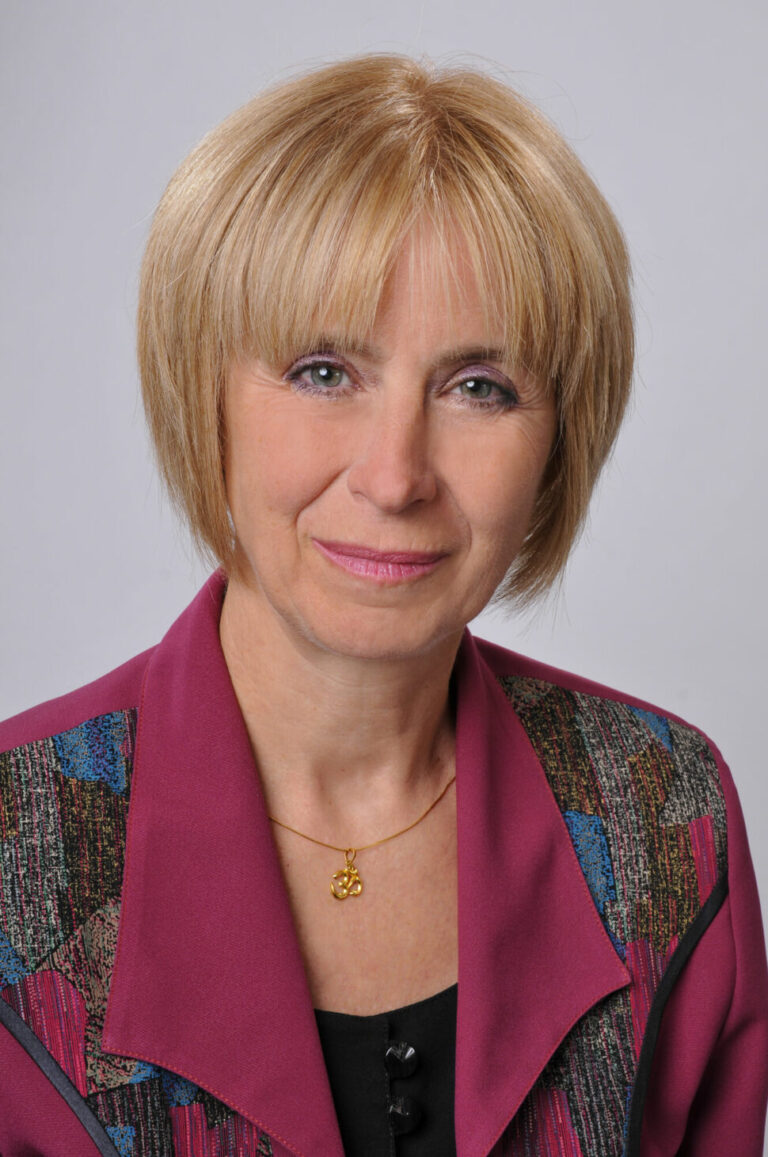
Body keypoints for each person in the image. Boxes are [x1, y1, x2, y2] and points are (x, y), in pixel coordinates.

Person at [0, 53, 766, 1157]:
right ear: (201, 393)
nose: (396, 475)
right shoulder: (17, 840)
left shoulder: (664, 815)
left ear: (559, 440)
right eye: (324, 371)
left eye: (478, 388)